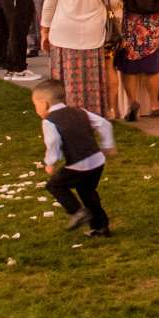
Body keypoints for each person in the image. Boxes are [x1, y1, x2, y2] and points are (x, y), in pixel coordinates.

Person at [39, 0, 120, 120]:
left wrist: (44, 32)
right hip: (92, 34)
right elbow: (112, 2)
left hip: (63, 34)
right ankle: (92, 113)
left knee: (65, 79)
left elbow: (48, 6)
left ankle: (65, 113)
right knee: (90, 78)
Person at [31, 80, 115, 236]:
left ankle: (77, 212)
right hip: (97, 162)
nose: (36, 110)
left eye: (36, 106)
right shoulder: (80, 111)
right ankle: (100, 227)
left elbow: (53, 142)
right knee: (88, 192)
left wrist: (50, 163)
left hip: (79, 165)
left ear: (45, 104)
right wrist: (107, 145)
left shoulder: (49, 121)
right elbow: (104, 124)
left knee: (54, 185)